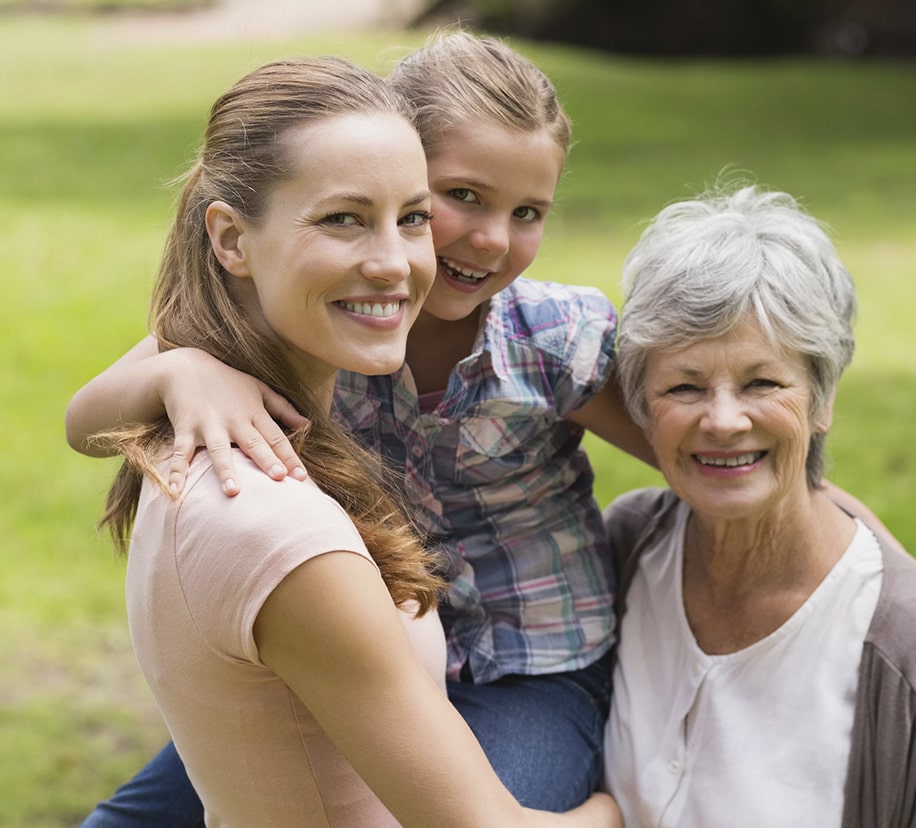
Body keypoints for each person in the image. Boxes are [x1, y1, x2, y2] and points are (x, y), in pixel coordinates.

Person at [66, 29, 642, 824]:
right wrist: (177, 370)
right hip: (354, 642)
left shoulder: (548, 337)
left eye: (528, 212)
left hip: (528, 661)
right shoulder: (305, 332)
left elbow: (704, 447)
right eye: (461, 197)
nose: (490, 238)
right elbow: (84, 421)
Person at [600, 185, 916, 828]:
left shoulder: (906, 648)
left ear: (822, 398)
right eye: (685, 385)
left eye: (762, 382)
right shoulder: (624, 550)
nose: (724, 420)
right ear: (644, 410)